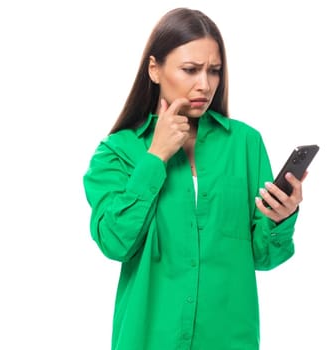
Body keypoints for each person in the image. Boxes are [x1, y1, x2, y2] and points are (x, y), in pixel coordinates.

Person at [83, 7, 307, 350]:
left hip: (229, 339)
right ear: (154, 69)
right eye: (190, 70)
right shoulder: (117, 152)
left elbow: (264, 258)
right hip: (147, 340)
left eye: (214, 71)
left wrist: (282, 218)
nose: (205, 85)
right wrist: (155, 158)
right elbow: (115, 244)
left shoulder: (245, 144)